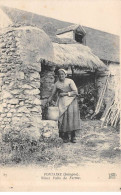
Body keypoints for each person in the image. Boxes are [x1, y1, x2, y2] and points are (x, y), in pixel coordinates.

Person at [47, 69, 81, 143]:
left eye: (62, 74)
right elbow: (53, 94)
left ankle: (73, 135)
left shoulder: (70, 81)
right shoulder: (57, 83)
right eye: (59, 74)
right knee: (63, 117)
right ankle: (65, 135)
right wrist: (48, 100)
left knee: (71, 117)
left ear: (65, 75)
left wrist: (65, 94)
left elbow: (75, 91)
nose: (61, 76)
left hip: (71, 101)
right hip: (62, 101)